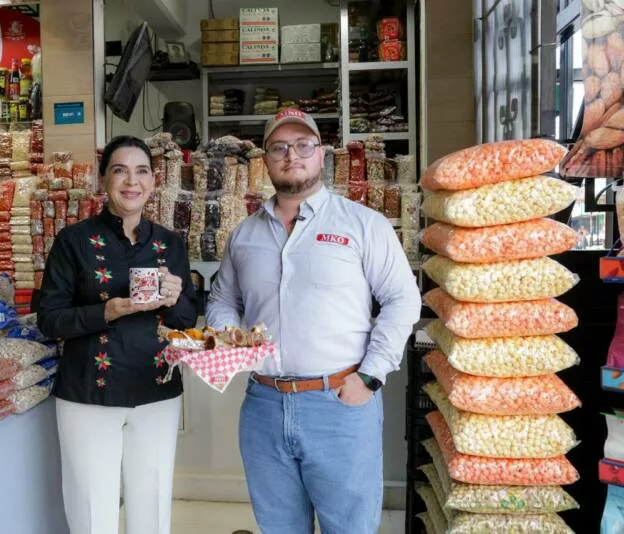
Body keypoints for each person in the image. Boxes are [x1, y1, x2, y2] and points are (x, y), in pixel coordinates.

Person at [206, 110, 421, 534]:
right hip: (264, 405)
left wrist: (370, 377)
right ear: (266, 159)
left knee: (349, 528)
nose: (292, 155)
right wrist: (228, 337)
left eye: (303, 145)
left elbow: (402, 299)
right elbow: (223, 299)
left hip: (339, 403)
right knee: (279, 527)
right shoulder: (244, 234)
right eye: (279, 147)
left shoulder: (363, 224)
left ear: (321, 155)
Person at [38, 135, 197, 534]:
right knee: (93, 512)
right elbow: (50, 319)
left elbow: (186, 320)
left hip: (156, 390)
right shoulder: (73, 241)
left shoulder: (169, 244)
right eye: (120, 170)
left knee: (153, 507)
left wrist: (175, 298)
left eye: (141, 171)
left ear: (153, 181)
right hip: (88, 393)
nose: (131, 181)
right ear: (103, 179)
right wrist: (106, 311)